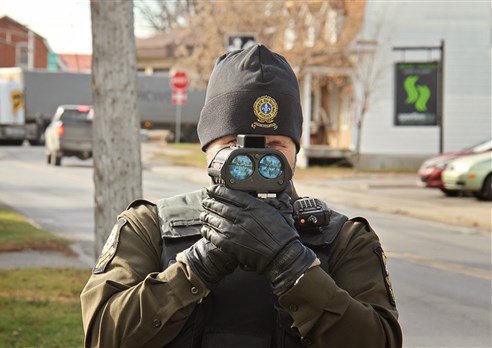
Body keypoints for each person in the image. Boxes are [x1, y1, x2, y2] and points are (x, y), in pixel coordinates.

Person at [80, 44, 402, 348]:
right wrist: (199, 264)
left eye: (275, 146)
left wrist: (289, 263)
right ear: (207, 147)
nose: (255, 162)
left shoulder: (344, 240)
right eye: (235, 145)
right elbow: (102, 336)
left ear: (295, 151)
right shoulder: (150, 227)